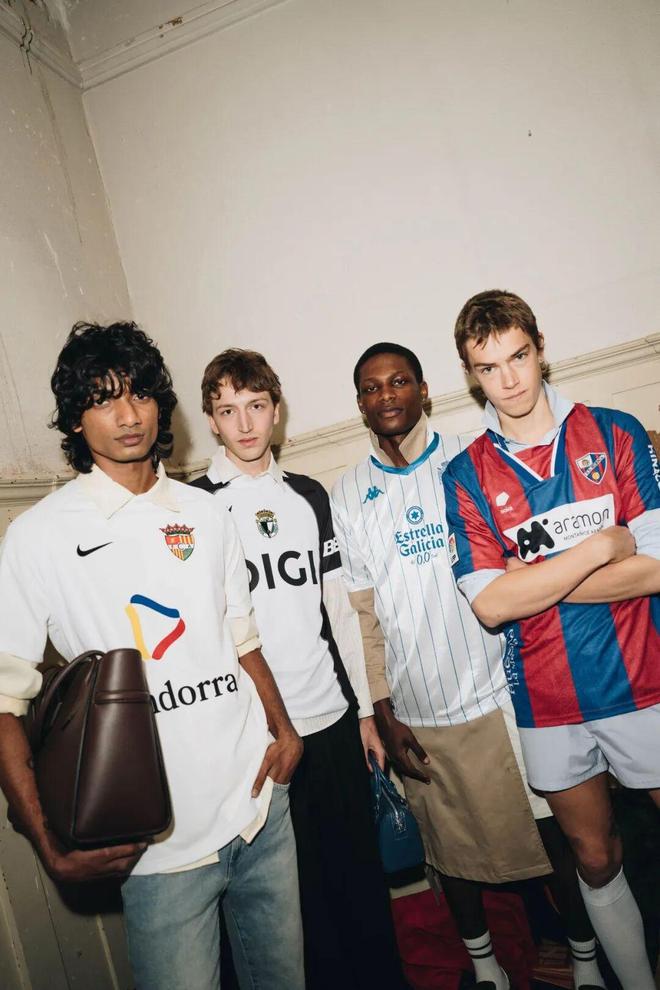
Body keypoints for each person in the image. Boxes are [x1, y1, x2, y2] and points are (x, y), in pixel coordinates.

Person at [0, 322, 305, 990]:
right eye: (103, 398)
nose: (128, 414)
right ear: (74, 418)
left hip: (258, 810)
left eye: (139, 393)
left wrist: (284, 732)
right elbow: (4, 702)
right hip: (155, 850)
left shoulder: (205, 512)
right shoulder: (38, 536)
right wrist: (47, 841)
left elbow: (241, 635)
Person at [330, 342, 605, 990]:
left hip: (501, 692)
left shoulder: (471, 458)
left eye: (399, 381)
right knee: (449, 853)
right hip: (418, 708)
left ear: (424, 390)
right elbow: (363, 616)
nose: (386, 395)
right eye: (371, 387)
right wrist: (381, 708)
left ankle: (586, 961)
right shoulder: (349, 493)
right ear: (361, 403)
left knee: (553, 839)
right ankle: (486, 969)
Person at [442, 289, 660, 990]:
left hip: (644, 678)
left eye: (518, 357)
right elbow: (491, 606)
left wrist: (531, 577)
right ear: (470, 374)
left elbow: (656, 568)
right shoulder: (465, 473)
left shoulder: (616, 432)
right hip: (547, 698)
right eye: (488, 367)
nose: (508, 380)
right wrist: (600, 548)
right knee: (593, 858)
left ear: (540, 347)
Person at [190, 348, 406, 990]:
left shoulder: (308, 495)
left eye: (256, 406)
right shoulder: (195, 507)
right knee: (291, 904)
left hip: (331, 720)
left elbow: (338, 610)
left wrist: (363, 712)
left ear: (276, 411)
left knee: (357, 881)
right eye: (228, 410)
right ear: (211, 420)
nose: (245, 423)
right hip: (256, 736)